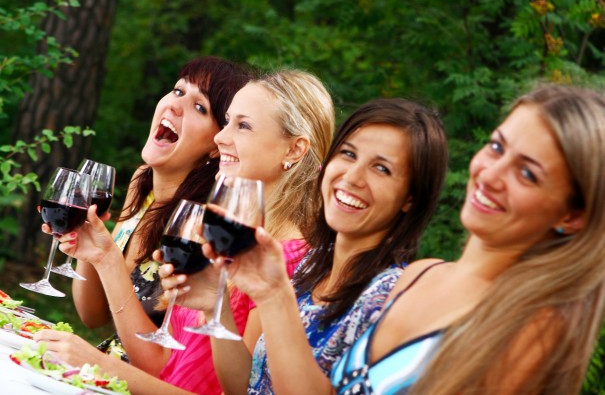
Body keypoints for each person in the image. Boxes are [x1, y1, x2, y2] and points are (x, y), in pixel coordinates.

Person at [37, 68, 335, 394]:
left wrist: (100, 364)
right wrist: (106, 256)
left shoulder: (290, 260)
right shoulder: (222, 234)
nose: (221, 138)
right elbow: (162, 364)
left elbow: (237, 390)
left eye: (243, 125)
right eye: (228, 121)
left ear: (294, 150)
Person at [162, 97, 449, 394]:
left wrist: (275, 295)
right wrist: (215, 307)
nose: (352, 177)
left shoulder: (390, 296)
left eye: (381, 169)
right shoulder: (310, 265)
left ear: (410, 198)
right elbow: (246, 387)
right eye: (348, 154)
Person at [330, 85, 605, 394]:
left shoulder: (531, 328)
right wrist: (276, 292)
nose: (489, 176)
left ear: (572, 216)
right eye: (497, 148)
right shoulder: (420, 274)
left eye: (527, 174)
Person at [42, 56, 252, 375]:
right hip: (101, 372)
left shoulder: (203, 227)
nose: (176, 106)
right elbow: (93, 314)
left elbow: (162, 363)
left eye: (200, 107)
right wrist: (92, 248)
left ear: (216, 145)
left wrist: (107, 257)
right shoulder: (144, 185)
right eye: (178, 91)